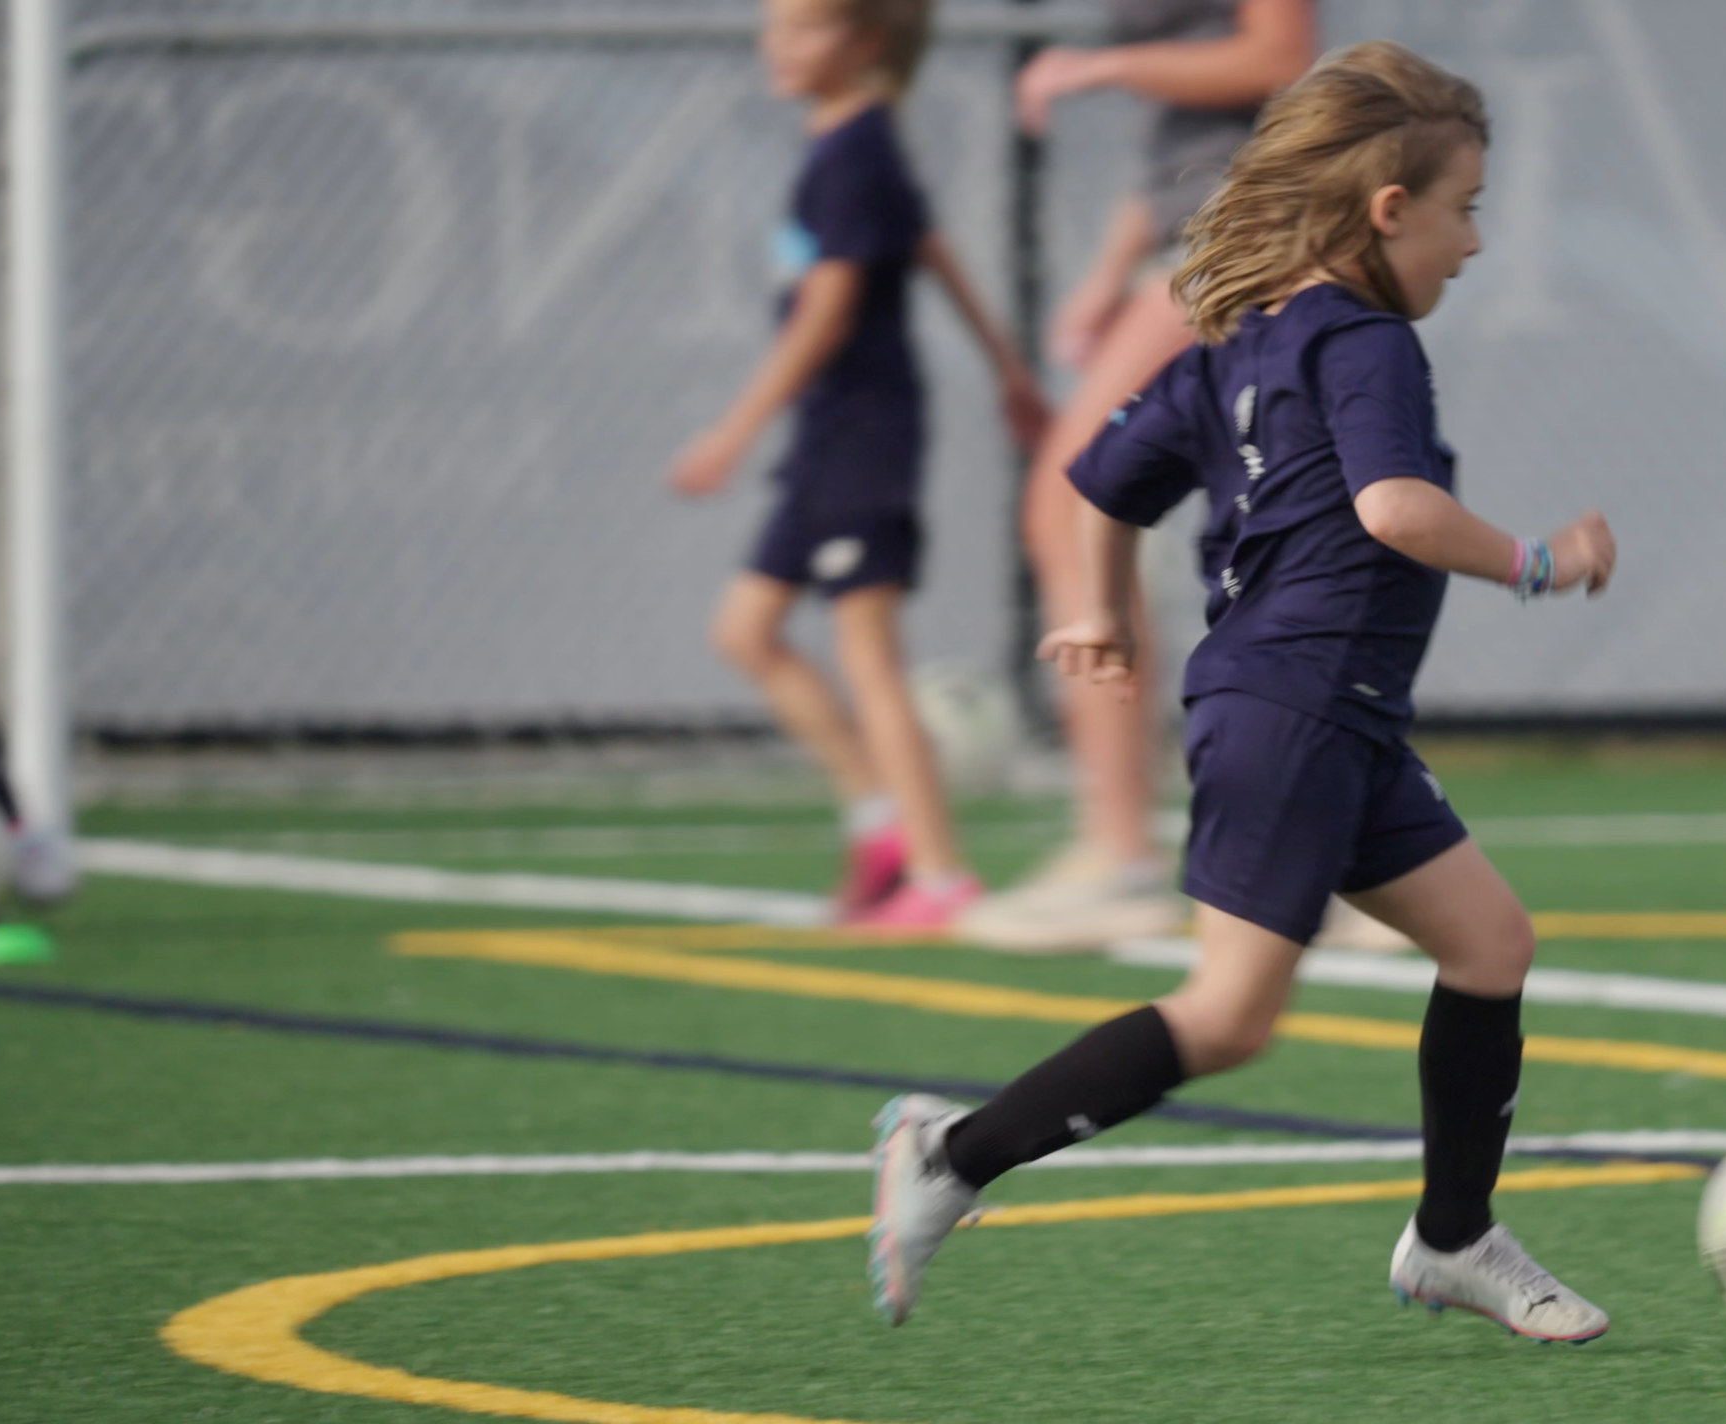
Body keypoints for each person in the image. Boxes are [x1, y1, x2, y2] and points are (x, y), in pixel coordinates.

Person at [868, 42, 1621, 1341]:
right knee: (1225, 1019)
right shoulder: (1367, 341)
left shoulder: (1241, 341)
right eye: (1465, 209)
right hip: (1297, 705)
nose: (1475, 243)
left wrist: (1095, 603)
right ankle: (951, 1154)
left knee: (1489, 944)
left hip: (1329, 711)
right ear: (1390, 211)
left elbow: (1098, 483)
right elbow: (1394, 507)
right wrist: (1540, 562)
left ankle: (1453, 1238)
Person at [670, 0, 1048, 927]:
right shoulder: (850, 143)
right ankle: (882, 821)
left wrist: (733, 430)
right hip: (826, 437)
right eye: (775, 26)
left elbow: (830, 307)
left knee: (870, 653)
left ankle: (939, 873)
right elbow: (932, 249)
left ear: (865, 41)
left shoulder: (855, 150)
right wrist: (1007, 368)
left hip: (861, 434)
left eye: (802, 28)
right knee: (747, 629)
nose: (777, 44)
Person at [954, 0, 1322, 951]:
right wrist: (1107, 273)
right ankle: (1333, 859)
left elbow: (1277, 54)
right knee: (1266, 540)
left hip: (1249, 240)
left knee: (1077, 506)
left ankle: (1121, 855)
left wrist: (1096, 69)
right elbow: (1178, 144)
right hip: (1200, 242)